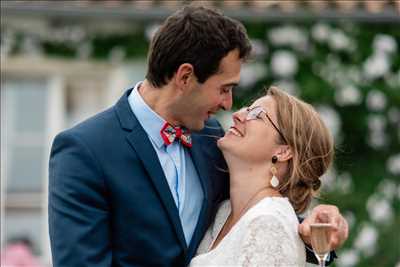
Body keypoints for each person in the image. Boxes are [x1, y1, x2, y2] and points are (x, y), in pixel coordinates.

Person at [48, 5, 348, 267]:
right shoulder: (84, 150)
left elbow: (250, 221)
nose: (229, 105)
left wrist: (312, 232)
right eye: (224, 88)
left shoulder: (212, 139)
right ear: (185, 77)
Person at [190, 86, 334, 266]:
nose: (238, 114)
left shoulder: (269, 224)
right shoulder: (223, 211)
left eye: (257, 115)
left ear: (284, 151)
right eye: (247, 108)